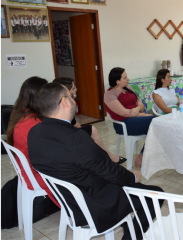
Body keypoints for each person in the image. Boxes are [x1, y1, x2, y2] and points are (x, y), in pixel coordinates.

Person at [28, 82, 164, 240]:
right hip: (95, 205)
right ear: (64, 102)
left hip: (71, 202)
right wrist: (133, 177)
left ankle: (128, 225)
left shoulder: (34, 133)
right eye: (71, 97)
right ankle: (131, 237)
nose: (74, 100)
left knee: (127, 184)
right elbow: (109, 171)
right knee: (156, 194)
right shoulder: (75, 137)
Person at [6, 77, 60, 208]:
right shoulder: (34, 125)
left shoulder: (23, 115)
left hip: (28, 172)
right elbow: (53, 155)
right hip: (38, 175)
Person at [53, 77, 126, 164]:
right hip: (64, 136)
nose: (76, 90)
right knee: (92, 133)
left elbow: (74, 124)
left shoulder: (58, 104)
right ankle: (108, 157)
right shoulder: (65, 107)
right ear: (66, 92)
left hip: (68, 132)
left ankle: (106, 158)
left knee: (92, 137)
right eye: (73, 88)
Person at [104, 68, 155, 167]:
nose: (128, 79)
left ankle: (143, 155)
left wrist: (137, 109)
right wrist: (142, 114)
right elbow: (124, 113)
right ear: (117, 81)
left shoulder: (128, 88)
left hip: (136, 120)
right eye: (125, 77)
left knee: (158, 125)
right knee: (155, 121)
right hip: (124, 124)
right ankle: (143, 156)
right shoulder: (109, 94)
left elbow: (142, 105)